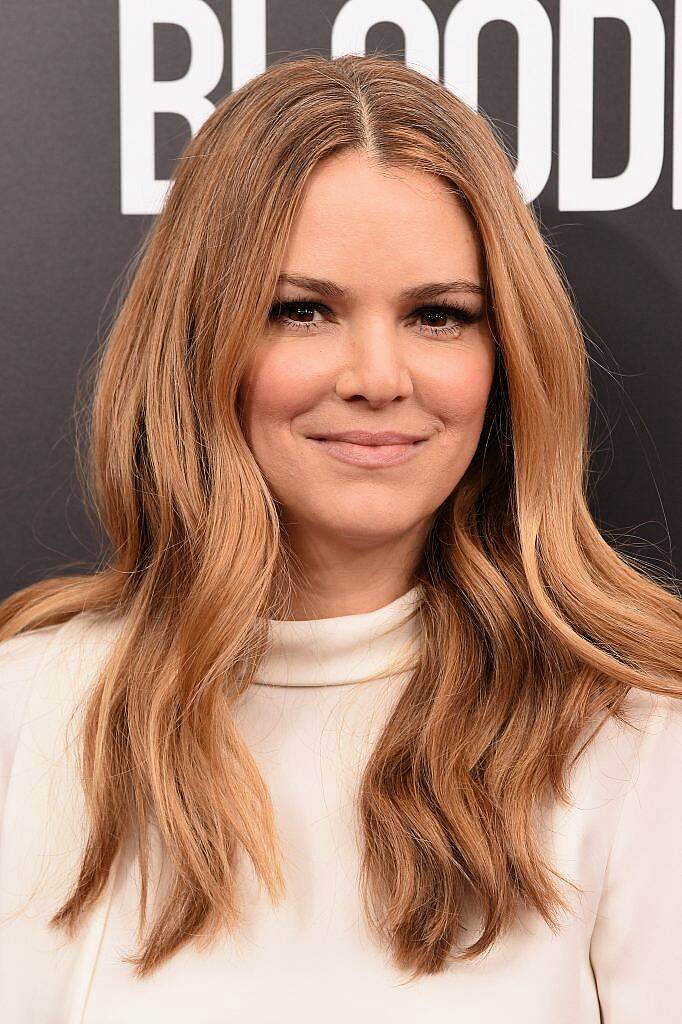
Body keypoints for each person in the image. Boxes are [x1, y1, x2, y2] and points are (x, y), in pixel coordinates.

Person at [0, 52, 681, 1023]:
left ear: (506, 358)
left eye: (438, 317)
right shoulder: (31, 714)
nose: (376, 374)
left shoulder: (636, 735)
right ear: (200, 338)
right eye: (302, 310)